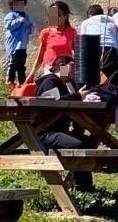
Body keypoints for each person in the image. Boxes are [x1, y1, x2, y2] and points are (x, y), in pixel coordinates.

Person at [35, 55, 97, 191]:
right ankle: (82, 187)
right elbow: (51, 102)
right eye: (72, 66)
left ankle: (83, 185)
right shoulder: (49, 82)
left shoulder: (65, 85)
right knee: (79, 145)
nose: (75, 70)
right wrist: (78, 96)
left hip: (58, 131)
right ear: (62, 66)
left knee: (88, 142)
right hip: (46, 133)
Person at [78, 4, 118, 84]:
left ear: (90, 15)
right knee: (114, 81)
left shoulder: (86, 22)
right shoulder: (112, 20)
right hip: (110, 50)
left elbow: (83, 45)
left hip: (93, 50)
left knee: (92, 82)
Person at [28, 1, 76, 78]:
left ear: (65, 16)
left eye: (57, 15)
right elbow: (40, 56)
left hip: (64, 67)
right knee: (51, 88)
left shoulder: (72, 32)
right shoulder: (46, 32)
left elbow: (78, 53)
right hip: (49, 69)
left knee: (64, 86)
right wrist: (32, 74)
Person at [3, 0, 35, 87]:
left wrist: (30, 28)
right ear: (12, 5)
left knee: (21, 64)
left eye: (22, 4)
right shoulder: (11, 15)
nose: (20, 6)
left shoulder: (27, 16)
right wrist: (18, 21)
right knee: (12, 63)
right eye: (17, 4)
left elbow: (32, 28)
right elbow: (8, 26)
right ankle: (10, 80)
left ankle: (22, 82)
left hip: (23, 45)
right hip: (13, 45)